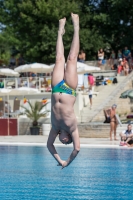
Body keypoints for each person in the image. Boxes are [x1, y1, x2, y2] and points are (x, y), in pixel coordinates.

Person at [47, 13, 80, 169]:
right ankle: (76, 26)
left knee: (59, 58)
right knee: (72, 58)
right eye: (67, 142)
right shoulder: (72, 128)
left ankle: (60, 30)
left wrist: (59, 161)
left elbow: (49, 146)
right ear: (69, 138)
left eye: (63, 142)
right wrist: (68, 161)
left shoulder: (55, 128)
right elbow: (77, 149)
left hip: (56, 87)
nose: (64, 142)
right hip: (68, 89)